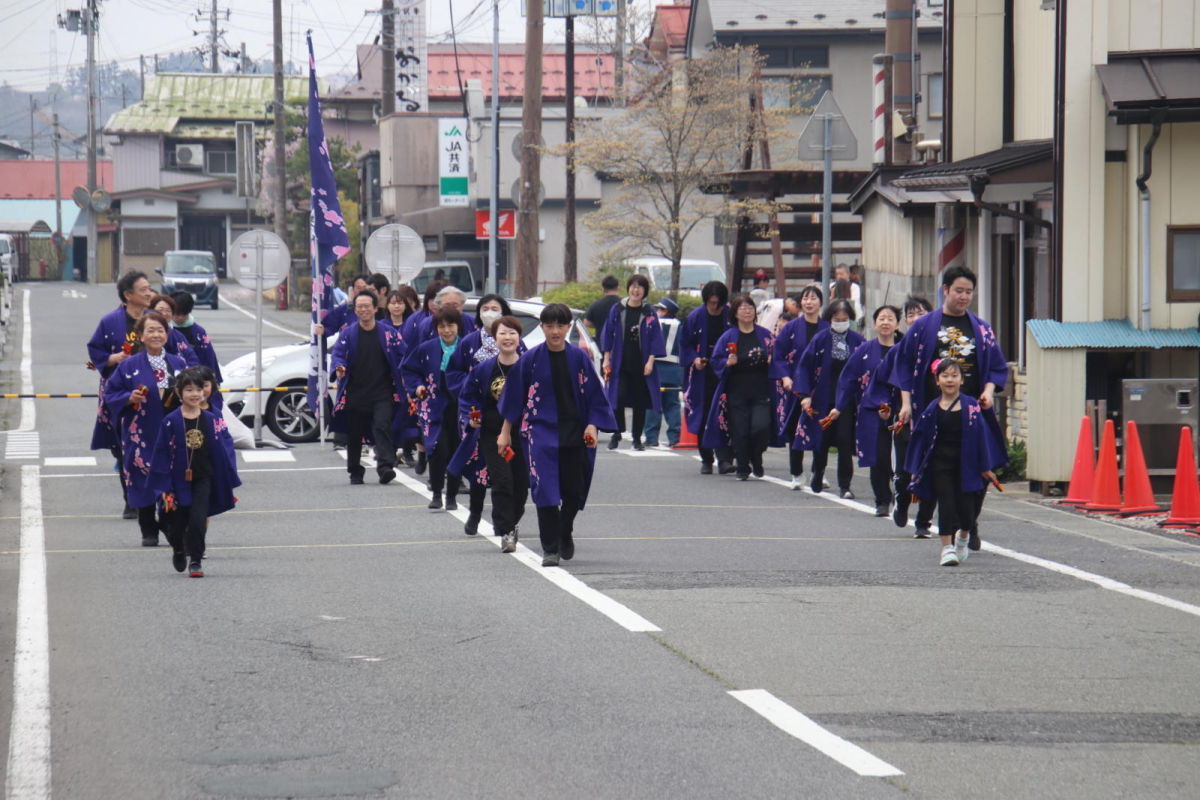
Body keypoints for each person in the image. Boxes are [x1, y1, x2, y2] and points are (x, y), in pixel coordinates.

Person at [893, 266, 1008, 551]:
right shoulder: (924, 326)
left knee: (981, 468)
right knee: (936, 471)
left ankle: (969, 523)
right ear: (945, 290)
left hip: (972, 414)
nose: (964, 296)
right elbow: (904, 365)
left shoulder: (981, 328)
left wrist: (989, 391)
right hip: (934, 414)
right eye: (958, 290)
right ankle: (933, 518)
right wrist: (906, 404)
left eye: (969, 292)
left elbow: (996, 366)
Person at [497, 303, 616, 566]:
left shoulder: (579, 358)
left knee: (573, 491)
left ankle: (565, 529)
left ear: (568, 327)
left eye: (560, 325)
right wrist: (505, 432)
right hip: (540, 433)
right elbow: (514, 398)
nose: (555, 331)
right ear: (541, 327)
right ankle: (550, 548)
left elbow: (596, 395)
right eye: (549, 325)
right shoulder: (530, 359)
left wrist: (592, 425)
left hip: (575, 431)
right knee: (545, 491)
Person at [906, 359, 1006, 566]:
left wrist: (985, 467)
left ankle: (963, 538)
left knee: (967, 511)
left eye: (954, 376)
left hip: (967, 465)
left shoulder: (971, 407)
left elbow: (982, 437)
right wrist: (915, 469)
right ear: (937, 381)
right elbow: (920, 439)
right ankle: (946, 549)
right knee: (946, 506)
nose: (949, 380)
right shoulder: (932, 409)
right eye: (945, 376)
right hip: (940, 465)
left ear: (962, 380)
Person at [103, 313, 188, 546]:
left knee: (171, 476)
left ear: (167, 334)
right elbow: (110, 395)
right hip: (141, 431)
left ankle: (169, 523)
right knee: (142, 477)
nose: (156, 335)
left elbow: (192, 393)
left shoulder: (179, 364)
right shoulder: (129, 365)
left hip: (172, 431)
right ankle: (148, 528)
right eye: (150, 330)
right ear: (140, 336)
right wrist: (129, 397)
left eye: (160, 330)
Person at [150, 367, 241, 578]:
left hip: (204, 476)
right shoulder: (171, 421)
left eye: (199, 389)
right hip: (177, 479)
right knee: (177, 522)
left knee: (199, 518)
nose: (195, 394)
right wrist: (164, 485)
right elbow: (161, 452)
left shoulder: (210, 418)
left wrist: (226, 477)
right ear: (179, 392)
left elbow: (221, 449)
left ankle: (196, 560)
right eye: (189, 389)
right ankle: (179, 549)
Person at [443, 293, 522, 534]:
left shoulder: (521, 349)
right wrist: (472, 410)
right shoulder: (469, 342)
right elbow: (453, 374)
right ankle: (476, 513)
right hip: (482, 422)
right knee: (482, 472)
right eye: (485, 308)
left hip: (517, 427)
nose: (489, 312)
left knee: (517, 480)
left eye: (495, 308)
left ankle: (508, 519)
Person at [87, 271, 158, 518]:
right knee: (123, 447)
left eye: (149, 288)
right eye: (143, 290)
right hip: (120, 393)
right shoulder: (110, 322)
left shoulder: (155, 320)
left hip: (152, 393)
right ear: (128, 295)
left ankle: (153, 499)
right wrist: (112, 358)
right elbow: (95, 349)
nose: (149, 293)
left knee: (153, 444)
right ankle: (131, 500)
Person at [702, 293, 783, 480]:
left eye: (750, 308)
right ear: (735, 313)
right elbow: (715, 360)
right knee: (740, 430)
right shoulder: (728, 337)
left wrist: (772, 361)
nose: (747, 311)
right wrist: (727, 363)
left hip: (761, 389)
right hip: (736, 390)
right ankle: (742, 466)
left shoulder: (765, 335)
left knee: (761, 427)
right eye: (743, 308)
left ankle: (757, 456)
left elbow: (778, 357)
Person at [331, 289, 406, 486]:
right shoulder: (347, 334)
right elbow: (338, 354)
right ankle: (355, 471)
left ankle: (385, 467)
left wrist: (408, 377)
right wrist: (339, 367)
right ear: (355, 310)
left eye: (367, 306)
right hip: (356, 392)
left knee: (382, 426)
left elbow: (404, 357)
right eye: (359, 307)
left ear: (375, 308)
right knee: (354, 433)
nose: (363, 310)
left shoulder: (389, 334)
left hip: (383, 392)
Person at [875, 295, 935, 535]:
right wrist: (885, 409)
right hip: (904, 418)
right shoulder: (898, 351)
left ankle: (923, 523)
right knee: (903, 471)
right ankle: (901, 501)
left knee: (931, 470)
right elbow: (879, 385)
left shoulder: (939, 349)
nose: (915, 319)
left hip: (934, 418)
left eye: (920, 313)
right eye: (910, 315)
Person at [835, 305, 902, 516]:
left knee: (903, 458)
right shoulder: (864, 350)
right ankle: (882, 500)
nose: (885, 322)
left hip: (903, 409)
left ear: (897, 324)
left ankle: (904, 497)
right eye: (881, 318)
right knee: (879, 457)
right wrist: (839, 406)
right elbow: (848, 378)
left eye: (890, 318)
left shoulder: (905, 349)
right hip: (874, 410)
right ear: (874, 323)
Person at [795, 299, 866, 497]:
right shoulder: (820, 339)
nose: (841, 322)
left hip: (846, 400)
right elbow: (804, 366)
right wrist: (804, 395)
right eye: (837, 319)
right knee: (822, 440)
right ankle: (818, 471)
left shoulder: (858, 341)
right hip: (823, 398)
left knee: (844, 441)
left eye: (844, 319)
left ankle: (845, 485)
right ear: (830, 319)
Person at [403, 306, 467, 510]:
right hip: (434, 406)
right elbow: (408, 368)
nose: (447, 330)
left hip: (461, 408)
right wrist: (418, 386)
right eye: (442, 326)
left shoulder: (467, 347)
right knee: (438, 449)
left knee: (457, 451)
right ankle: (437, 493)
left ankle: (452, 496)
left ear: (458, 326)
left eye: (451, 325)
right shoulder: (427, 348)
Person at [601, 274, 666, 451]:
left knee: (640, 402)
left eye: (640, 287)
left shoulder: (649, 312)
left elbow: (655, 338)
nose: (636, 290)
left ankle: (637, 438)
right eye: (633, 286)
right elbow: (608, 333)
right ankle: (617, 432)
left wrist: (650, 361)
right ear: (628, 288)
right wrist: (606, 359)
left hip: (641, 364)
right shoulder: (618, 309)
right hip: (620, 362)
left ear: (644, 292)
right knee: (617, 396)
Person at [775, 285, 828, 489]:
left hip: (821, 388)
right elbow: (778, 355)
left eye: (813, 298)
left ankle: (818, 471)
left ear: (820, 302)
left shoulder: (828, 328)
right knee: (796, 429)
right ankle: (796, 472)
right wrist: (785, 376)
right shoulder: (790, 328)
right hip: (795, 388)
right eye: (805, 298)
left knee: (820, 429)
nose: (808, 302)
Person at [680, 280, 734, 474]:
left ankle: (725, 459)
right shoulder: (695, 317)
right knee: (703, 414)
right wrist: (694, 358)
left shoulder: (730, 316)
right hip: (701, 374)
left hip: (725, 372)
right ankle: (706, 458)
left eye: (717, 303)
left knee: (725, 413)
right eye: (710, 303)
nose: (714, 307)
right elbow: (684, 345)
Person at [643, 298, 682, 448]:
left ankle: (651, 437)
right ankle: (675, 437)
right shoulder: (679, 325)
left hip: (655, 368)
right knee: (672, 404)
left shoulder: (653, 323)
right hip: (673, 369)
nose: (656, 312)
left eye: (660, 309)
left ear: (666, 311)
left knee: (653, 403)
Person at [170, 291, 222, 381]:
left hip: (197, 377)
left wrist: (210, 379)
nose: (180, 317)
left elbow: (208, 357)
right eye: (177, 314)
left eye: (184, 314)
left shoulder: (199, 331)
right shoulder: (165, 330)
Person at [314, 273, 370, 342]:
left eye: (365, 288)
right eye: (358, 288)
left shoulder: (376, 309)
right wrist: (323, 331)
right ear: (353, 290)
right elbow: (329, 325)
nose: (362, 291)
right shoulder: (345, 308)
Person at [149, 293, 201, 369]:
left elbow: (192, 359)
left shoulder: (178, 335)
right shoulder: (144, 333)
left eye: (168, 311)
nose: (164, 313)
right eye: (160, 310)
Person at [584, 274, 622, 341]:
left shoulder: (595, 305)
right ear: (618, 288)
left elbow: (587, 323)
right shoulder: (625, 304)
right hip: (620, 343)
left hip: (601, 343)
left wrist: (599, 325)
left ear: (603, 289)